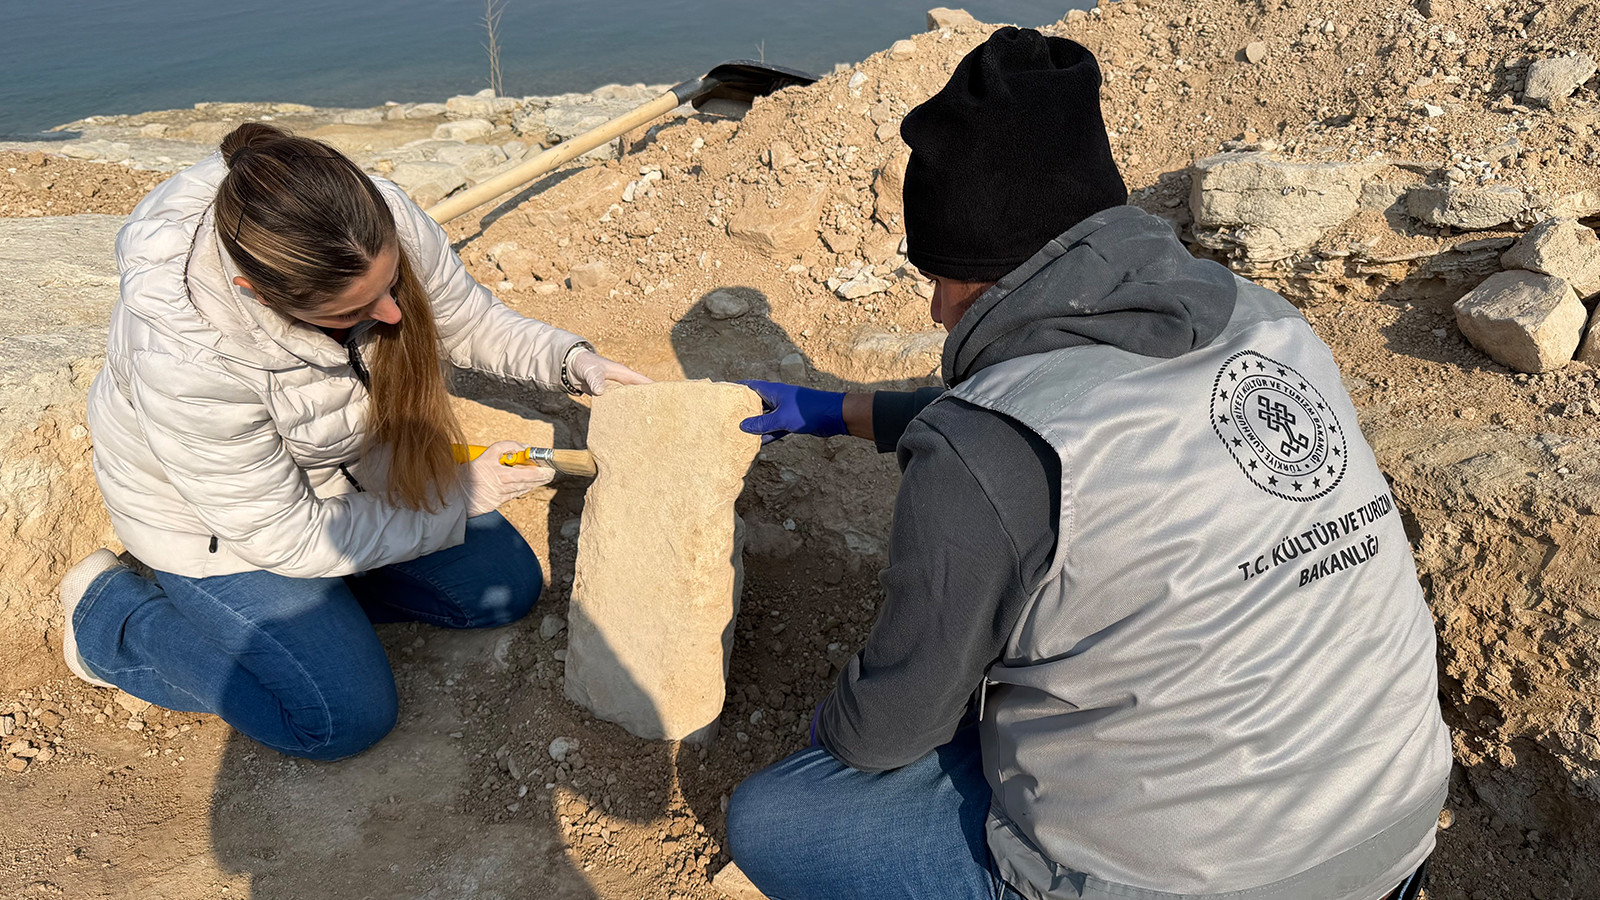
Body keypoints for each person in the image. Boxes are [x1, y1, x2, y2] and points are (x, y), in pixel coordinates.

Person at [728, 28, 1449, 900]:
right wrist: (838, 411)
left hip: (1199, 883)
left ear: (989, 275)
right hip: (1390, 831)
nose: (934, 306)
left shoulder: (981, 454)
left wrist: (832, 727)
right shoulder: (1267, 326)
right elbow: (1081, 420)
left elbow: (885, 731)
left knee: (776, 815)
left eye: (943, 277)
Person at [58, 123, 649, 761]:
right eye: (351, 312)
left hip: (346, 467)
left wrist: (574, 362)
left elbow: (467, 320)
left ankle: (316, 620)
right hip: (222, 527)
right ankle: (110, 619)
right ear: (254, 292)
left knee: (499, 588)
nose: (393, 316)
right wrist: (456, 500)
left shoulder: (367, 218)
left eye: (391, 286)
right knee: (343, 717)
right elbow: (286, 535)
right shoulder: (188, 355)